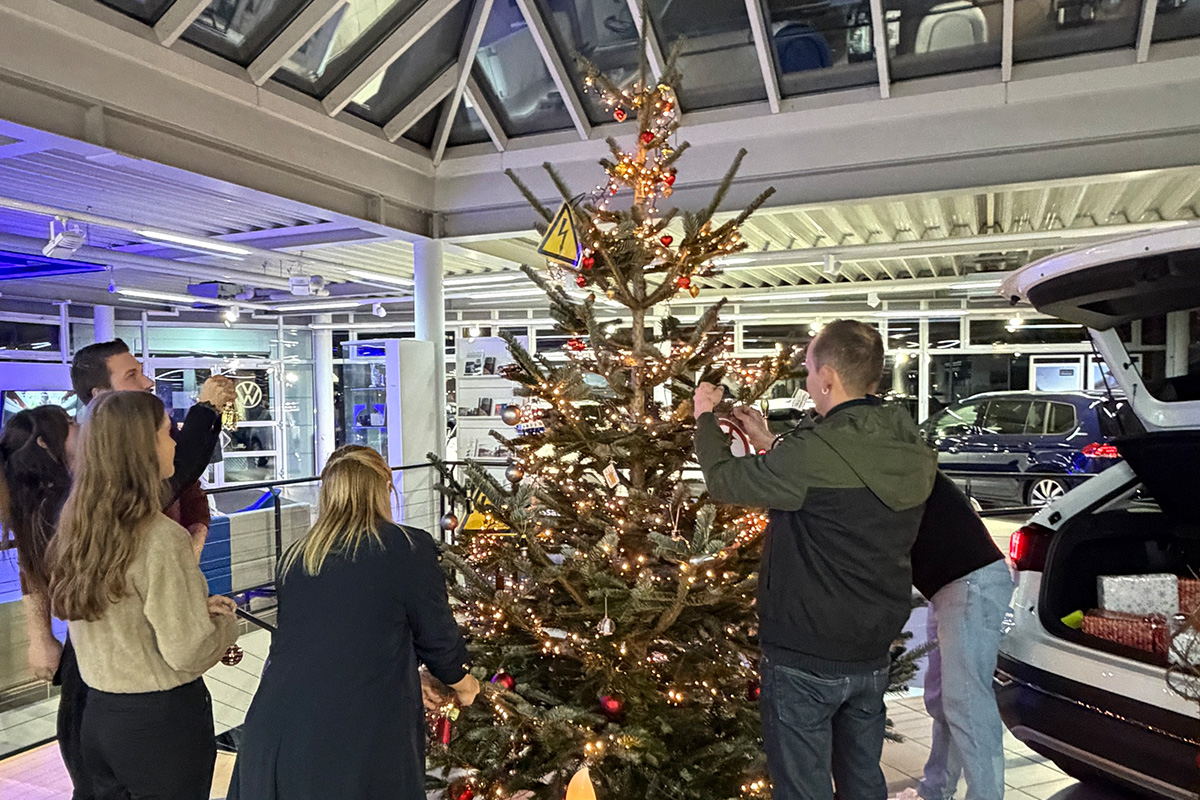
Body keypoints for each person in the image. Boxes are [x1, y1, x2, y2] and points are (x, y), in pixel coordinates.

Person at [693, 319, 937, 800]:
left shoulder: (814, 451)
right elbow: (835, 472)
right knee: (863, 778)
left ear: (827, 378)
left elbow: (724, 480)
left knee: (803, 788)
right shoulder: (906, 444)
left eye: (808, 371)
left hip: (805, 651)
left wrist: (704, 415)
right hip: (871, 648)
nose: (806, 382)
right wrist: (770, 443)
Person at [229, 445, 479, 800]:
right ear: (384, 488)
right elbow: (438, 638)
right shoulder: (406, 547)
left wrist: (409, 675)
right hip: (356, 736)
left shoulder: (299, 556)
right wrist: (466, 687)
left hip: (275, 729)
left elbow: (328, 643)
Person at [48, 390, 239, 800]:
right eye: (167, 432)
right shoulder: (159, 537)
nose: (175, 442)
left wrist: (189, 607)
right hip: (160, 725)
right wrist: (224, 625)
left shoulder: (79, 524)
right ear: (142, 448)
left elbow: (118, 610)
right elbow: (187, 651)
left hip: (96, 715)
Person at [894, 474, 1014, 800]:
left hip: (970, 585)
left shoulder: (895, 470)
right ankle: (935, 790)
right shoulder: (890, 467)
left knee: (967, 703)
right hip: (952, 587)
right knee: (944, 698)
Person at [71, 338, 234, 559]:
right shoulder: (94, 457)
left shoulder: (154, 432)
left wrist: (198, 526)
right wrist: (206, 409)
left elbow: (188, 482)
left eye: (141, 371)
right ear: (100, 394)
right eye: (132, 376)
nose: (148, 382)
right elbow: (174, 478)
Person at [0, 406, 88, 796]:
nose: (80, 426)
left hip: (80, 664)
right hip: (91, 663)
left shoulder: (36, 504)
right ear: (45, 445)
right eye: (70, 425)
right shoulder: (66, 507)